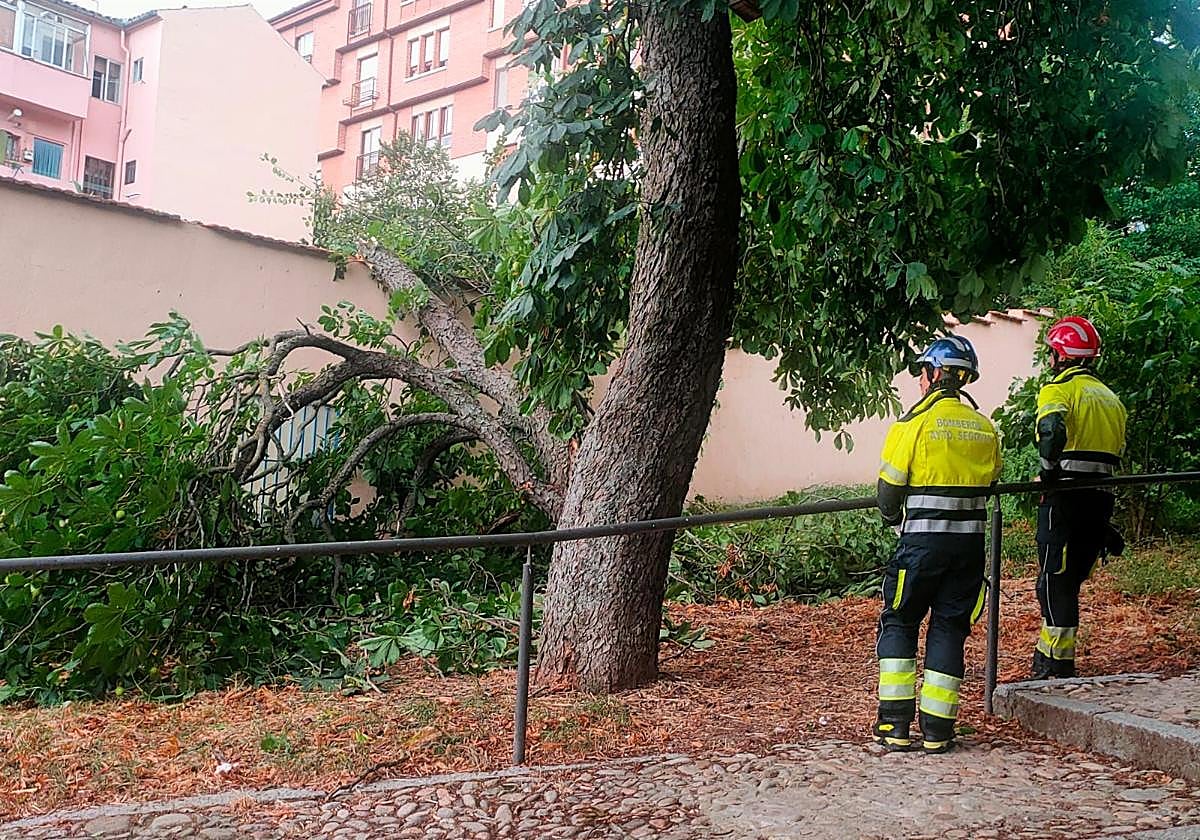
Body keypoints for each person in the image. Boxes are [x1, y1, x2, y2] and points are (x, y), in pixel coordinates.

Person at [874, 335, 1001, 754]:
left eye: (921, 373)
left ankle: (895, 727)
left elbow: (888, 493)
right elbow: (992, 481)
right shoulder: (984, 428)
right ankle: (938, 731)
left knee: (900, 621)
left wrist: (896, 523)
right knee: (949, 628)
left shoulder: (913, 424)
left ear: (932, 374)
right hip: (968, 549)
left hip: (921, 545)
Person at [1030, 316, 1127, 680]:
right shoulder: (1110, 398)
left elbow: (1051, 430)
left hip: (1065, 496)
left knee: (1054, 581)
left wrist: (1048, 471)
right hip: (1100, 497)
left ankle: (1057, 664)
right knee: (1070, 581)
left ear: (1060, 354)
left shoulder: (1057, 390)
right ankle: (1050, 657)